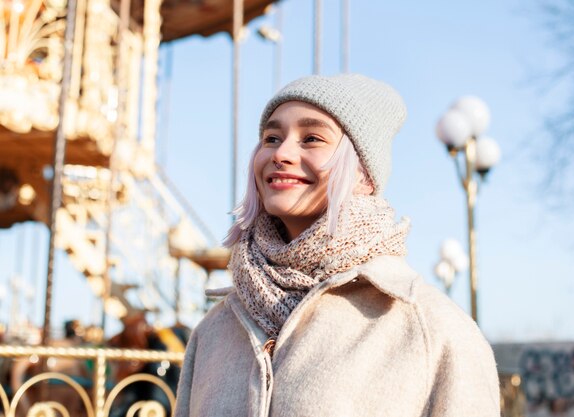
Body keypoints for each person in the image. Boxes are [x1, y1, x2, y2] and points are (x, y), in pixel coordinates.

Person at [174, 74, 500, 416]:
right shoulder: (215, 331)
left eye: (311, 138)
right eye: (271, 137)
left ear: (363, 172)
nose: (281, 153)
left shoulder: (431, 330)